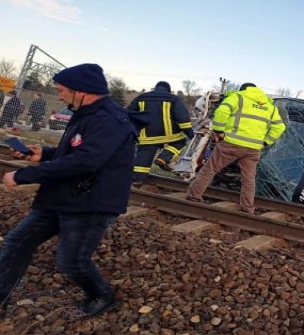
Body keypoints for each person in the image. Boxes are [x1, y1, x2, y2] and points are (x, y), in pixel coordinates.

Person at [0, 63, 138, 318]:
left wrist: (23, 176)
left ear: (82, 91)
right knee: (17, 243)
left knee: (71, 261)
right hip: (64, 195)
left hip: (90, 202)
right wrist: (45, 154)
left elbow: (86, 161)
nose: (60, 95)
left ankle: (102, 296)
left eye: (62, 90)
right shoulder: (87, 112)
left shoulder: (109, 120)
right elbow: (80, 151)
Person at [186, 83, 286, 214]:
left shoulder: (237, 97)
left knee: (210, 169)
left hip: (231, 143)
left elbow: (222, 112)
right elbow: (280, 127)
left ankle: (194, 196)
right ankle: (247, 208)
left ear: (243, 90)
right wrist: (265, 142)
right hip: (253, 148)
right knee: (249, 179)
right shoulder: (269, 106)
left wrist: (219, 131)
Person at [127, 81, 194, 183]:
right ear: (168, 90)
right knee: (180, 142)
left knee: (144, 155)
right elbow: (182, 117)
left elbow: (129, 114)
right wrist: (189, 132)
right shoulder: (173, 98)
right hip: (170, 135)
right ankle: (163, 158)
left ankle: (137, 179)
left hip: (146, 136)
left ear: (156, 88)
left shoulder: (141, 97)